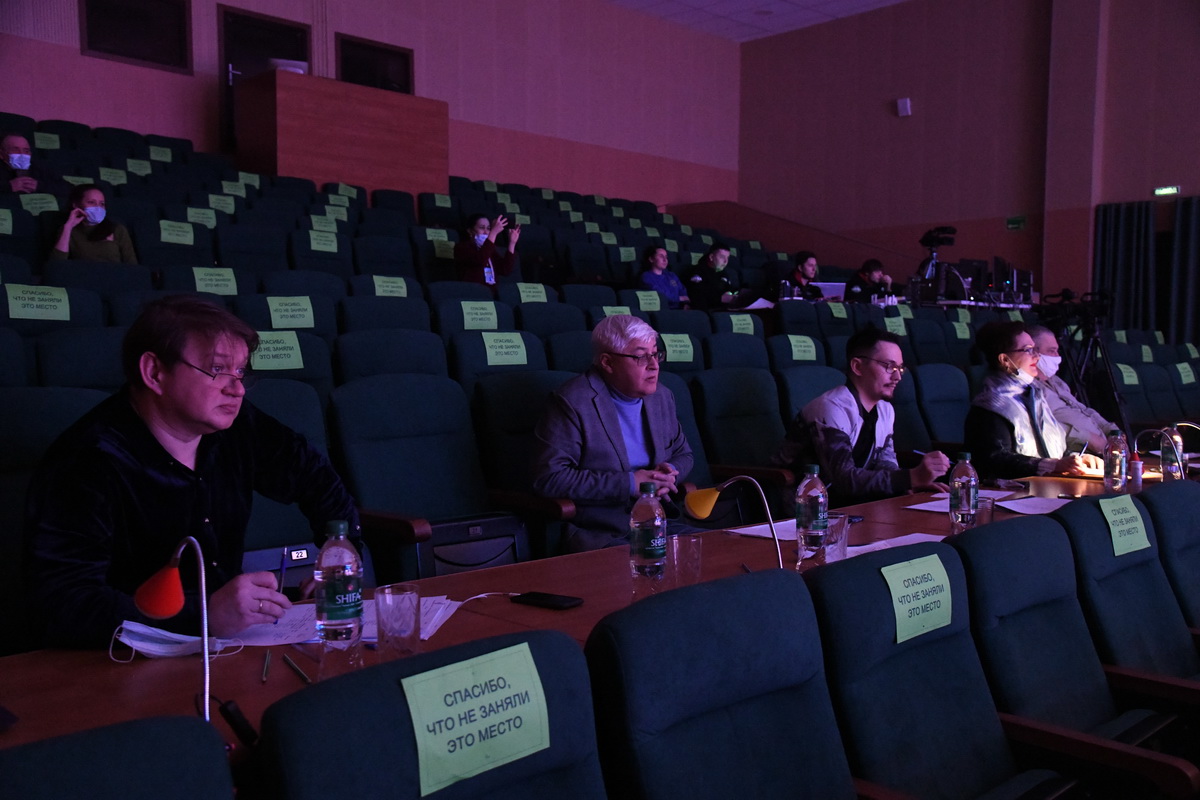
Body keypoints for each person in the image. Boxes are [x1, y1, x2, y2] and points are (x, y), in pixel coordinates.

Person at [25, 296, 360, 648]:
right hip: (118, 660)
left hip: (228, 644)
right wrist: (204, 615)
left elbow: (315, 477)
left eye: (240, 371)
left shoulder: (236, 424)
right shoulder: (87, 461)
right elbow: (65, 604)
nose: (236, 388)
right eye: (217, 369)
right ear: (154, 373)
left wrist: (339, 557)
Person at [532, 314, 693, 552]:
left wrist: (668, 474)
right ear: (607, 362)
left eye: (655, 354)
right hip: (602, 532)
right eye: (641, 356)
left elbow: (684, 454)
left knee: (720, 553)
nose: (654, 365)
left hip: (659, 524)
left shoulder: (662, 396)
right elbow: (550, 478)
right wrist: (629, 483)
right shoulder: (572, 402)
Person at [773, 327, 951, 506]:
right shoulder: (832, 408)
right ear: (857, 366)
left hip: (852, 504)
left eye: (900, 368)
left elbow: (885, 463)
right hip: (803, 509)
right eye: (889, 366)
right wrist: (911, 477)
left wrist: (908, 485)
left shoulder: (886, 410)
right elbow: (844, 480)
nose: (897, 376)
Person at [964, 321, 1102, 479]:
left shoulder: (1034, 395)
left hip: (1047, 484)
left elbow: (1049, 449)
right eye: (1028, 350)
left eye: (1035, 349)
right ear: (1005, 360)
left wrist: (1076, 458)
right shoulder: (991, 405)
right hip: (1012, 490)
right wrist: (1054, 465)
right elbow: (994, 460)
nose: (1037, 356)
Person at [1027, 325, 1117, 452]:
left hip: (1105, 450)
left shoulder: (1056, 381)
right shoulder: (1027, 388)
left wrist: (1112, 431)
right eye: (1051, 351)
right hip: (1077, 455)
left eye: (1057, 350)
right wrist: (1087, 438)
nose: (1057, 356)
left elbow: (1084, 410)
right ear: (1032, 352)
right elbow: (1041, 427)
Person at [49, 183, 138, 264]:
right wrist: (68, 227)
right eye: (91, 202)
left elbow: (132, 265)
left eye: (102, 204)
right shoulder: (68, 230)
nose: (98, 208)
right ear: (76, 205)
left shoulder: (117, 229)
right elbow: (57, 264)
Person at [686, 242, 770, 310]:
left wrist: (737, 292)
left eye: (728, 257)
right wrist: (720, 298)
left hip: (726, 308)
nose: (726, 261)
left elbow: (728, 289)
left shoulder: (723, 273)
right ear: (711, 257)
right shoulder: (697, 271)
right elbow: (697, 295)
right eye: (722, 257)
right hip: (711, 311)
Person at [455, 212, 519, 286]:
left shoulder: (490, 249)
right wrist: (493, 233)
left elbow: (505, 270)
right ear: (470, 231)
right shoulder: (461, 247)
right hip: (473, 290)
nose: (486, 232)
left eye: (488, 228)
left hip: (490, 290)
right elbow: (480, 260)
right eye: (482, 228)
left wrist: (512, 243)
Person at [1, 132, 69, 200]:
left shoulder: (39, 168)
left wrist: (39, 186)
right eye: (15, 150)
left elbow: (68, 188)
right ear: (1, 154)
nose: (22, 154)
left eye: (26, 151)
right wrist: (9, 187)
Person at [637, 244, 689, 309]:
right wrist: (679, 298)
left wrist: (686, 303)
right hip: (663, 310)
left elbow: (682, 290)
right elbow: (660, 294)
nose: (665, 259)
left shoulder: (671, 275)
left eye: (666, 257)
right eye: (661, 256)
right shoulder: (646, 277)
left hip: (680, 309)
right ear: (651, 259)